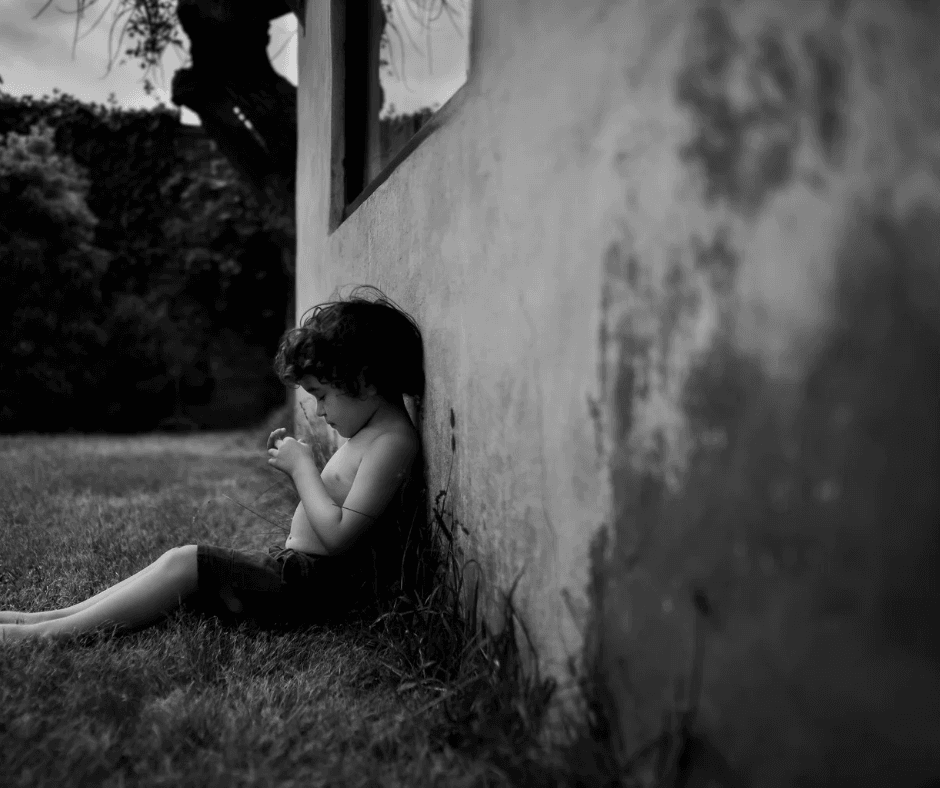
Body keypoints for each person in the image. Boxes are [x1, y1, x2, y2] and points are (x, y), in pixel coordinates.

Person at [0, 286, 424, 641]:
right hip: (292, 573)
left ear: (365, 381)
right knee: (181, 563)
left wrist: (303, 469)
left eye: (322, 395)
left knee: (187, 562)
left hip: (308, 588)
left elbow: (339, 537)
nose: (319, 409)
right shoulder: (373, 432)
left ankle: (48, 635)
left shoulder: (392, 442)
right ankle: (48, 619)